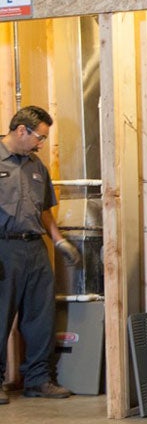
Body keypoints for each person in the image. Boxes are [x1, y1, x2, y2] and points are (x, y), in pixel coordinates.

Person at [1, 106, 80, 404]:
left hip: (35, 248)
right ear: (22, 130)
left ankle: (38, 379)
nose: (42, 144)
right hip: (3, 247)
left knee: (40, 317)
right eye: (40, 137)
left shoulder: (37, 166)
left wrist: (59, 241)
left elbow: (44, 210)